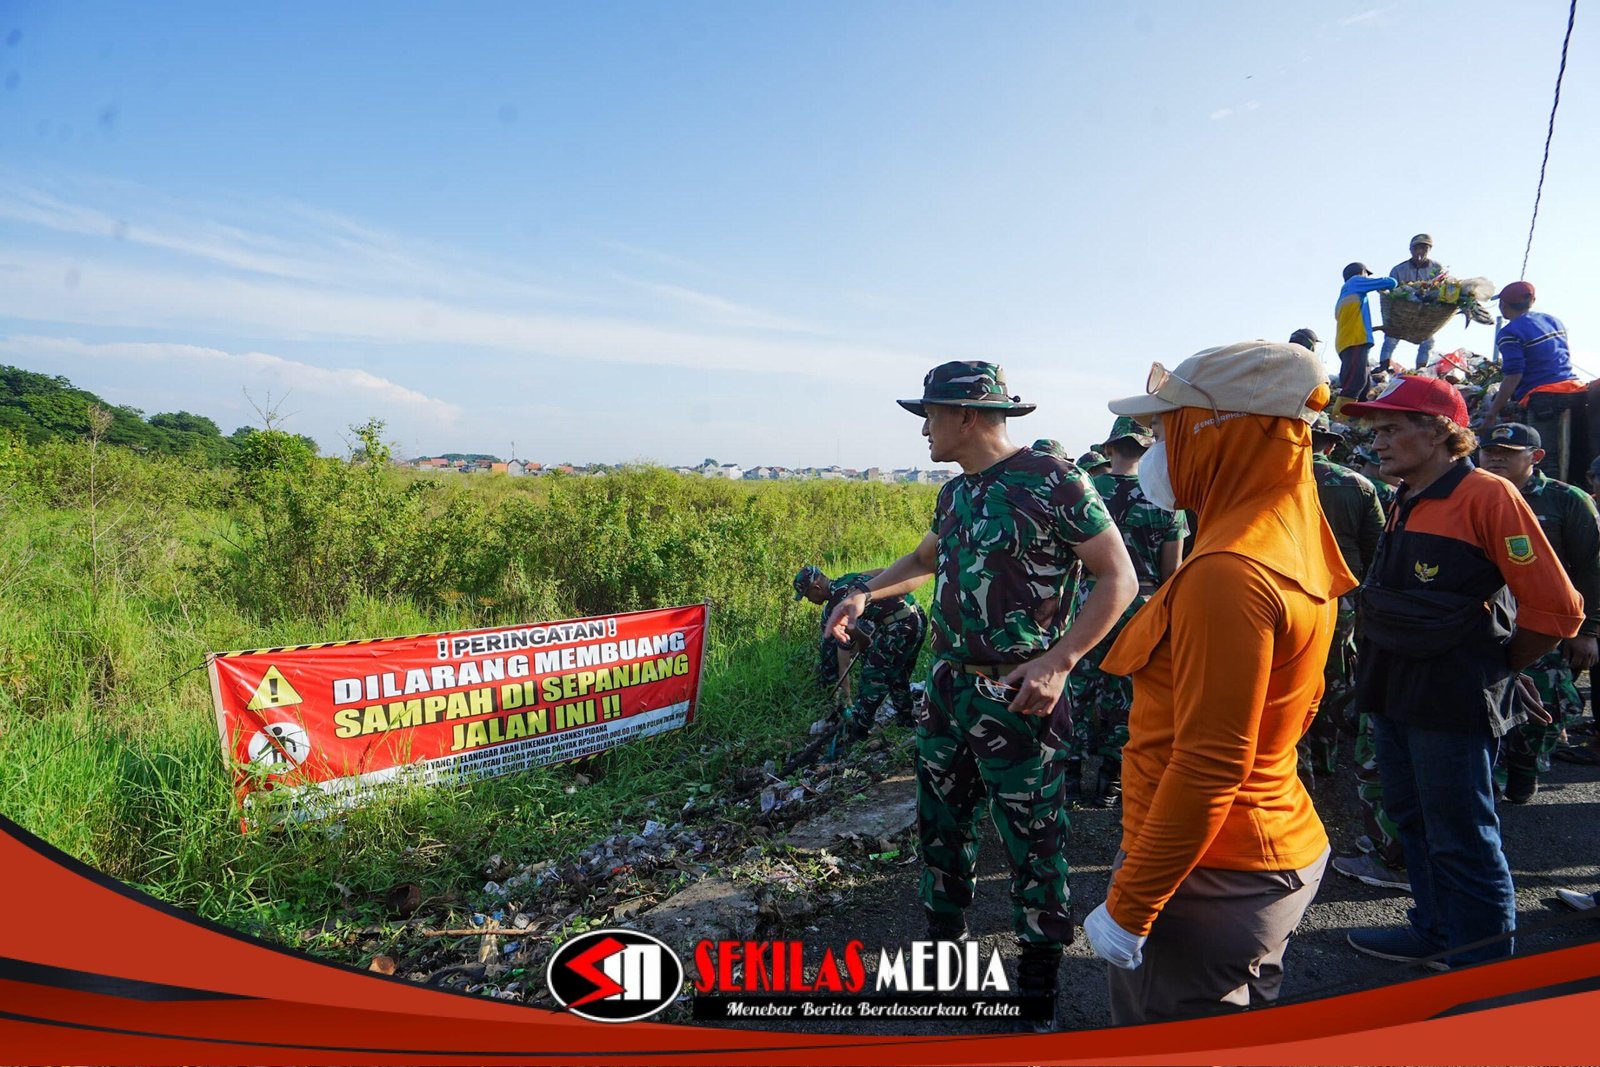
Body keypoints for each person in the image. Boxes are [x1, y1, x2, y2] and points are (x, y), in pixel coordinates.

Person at [825, 360, 1137, 1031]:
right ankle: (947, 954)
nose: (923, 430)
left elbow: (1119, 576)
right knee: (941, 827)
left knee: (1033, 840)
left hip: (1019, 692)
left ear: (967, 415)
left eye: (930, 416)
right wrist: (862, 594)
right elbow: (922, 560)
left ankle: (1038, 979)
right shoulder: (956, 493)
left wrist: (1060, 661)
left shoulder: (1053, 479)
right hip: (949, 688)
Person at [1082, 341, 1353, 1024]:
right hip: (1259, 848)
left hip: (1212, 870)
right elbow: (1300, 701)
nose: (1157, 451)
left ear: (1219, 433)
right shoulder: (1288, 533)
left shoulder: (1229, 570)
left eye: (1167, 430)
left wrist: (1131, 907)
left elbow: (1210, 761)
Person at [1341, 376, 1582, 969]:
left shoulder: (1487, 495)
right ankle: (1435, 931)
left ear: (1438, 432)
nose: (1377, 442)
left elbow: (1557, 610)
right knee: (1412, 818)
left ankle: (1480, 965)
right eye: (1376, 431)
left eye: (1390, 429)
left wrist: (1500, 667)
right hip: (1394, 689)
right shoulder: (1405, 495)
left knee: (1462, 834)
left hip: (1451, 700)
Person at [1066, 415, 1187, 808]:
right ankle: (1112, 782)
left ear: (1110, 448)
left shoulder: (1086, 492)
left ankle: (1068, 776)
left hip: (1091, 598)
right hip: (1143, 604)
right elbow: (1172, 572)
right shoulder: (1166, 499)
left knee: (1078, 687)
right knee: (1129, 693)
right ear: (1148, 449)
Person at [1475, 423, 1600, 801]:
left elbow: (1591, 567)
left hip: (1544, 625)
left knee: (1542, 708)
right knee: (1484, 702)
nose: (1496, 458)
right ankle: (1491, 779)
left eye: (1508, 453)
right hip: (1485, 621)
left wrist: (1588, 631)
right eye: (1490, 451)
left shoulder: (1567, 500)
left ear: (1537, 457)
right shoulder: (1469, 493)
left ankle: (1524, 770)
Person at [1301, 414, 1385, 781]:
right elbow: (1377, 549)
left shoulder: (1269, 478)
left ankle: (1294, 761)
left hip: (1283, 591)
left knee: (1286, 675)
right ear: (1331, 444)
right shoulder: (1359, 484)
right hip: (1340, 596)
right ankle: (1326, 756)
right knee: (1333, 674)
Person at [792, 564, 927, 742]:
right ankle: (906, 721)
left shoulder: (835, 605)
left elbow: (844, 648)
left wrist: (830, 683)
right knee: (898, 674)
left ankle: (858, 734)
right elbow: (881, 572)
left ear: (816, 588)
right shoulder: (848, 578)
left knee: (872, 679)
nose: (809, 600)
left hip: (900, 626)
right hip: (917, 616)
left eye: (807, 595)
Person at [1478, 281, 1590, 482]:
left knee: (1543, 460)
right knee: (1579, 456)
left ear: (1503, 305)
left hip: (1544, 399)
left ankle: (1550, 499)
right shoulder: (1553, 321)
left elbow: (1514, 375)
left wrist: (1491, 414)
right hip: (1576, 392)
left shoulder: (1509, 333)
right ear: (1533, 300)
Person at [1334, 263, 1399, 404]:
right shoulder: (1355, 282)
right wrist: (1380, 286)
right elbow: (1391, 282)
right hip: (1355, 340)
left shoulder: (1345, 294)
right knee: (1355, 382)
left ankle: (1360, 412)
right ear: (1361, 272)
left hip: (1347, 342)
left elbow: (1355, 320)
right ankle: (1341, 414)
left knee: (1364, 386)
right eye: (1366, 275)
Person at [1381, 234, 1447, 371]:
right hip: (1401, 313)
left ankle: (1420, 371)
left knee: (1428, 342)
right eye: (1417, 248)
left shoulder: (1437, 268)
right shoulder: (1398, 270)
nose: (1420, 251)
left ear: (1429, 250)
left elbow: (1442, 289)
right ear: (1411, 250)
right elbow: (1391, 293)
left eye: (1424, 248)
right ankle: (1382, 370)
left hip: (1425, 315)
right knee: (1390, 339)